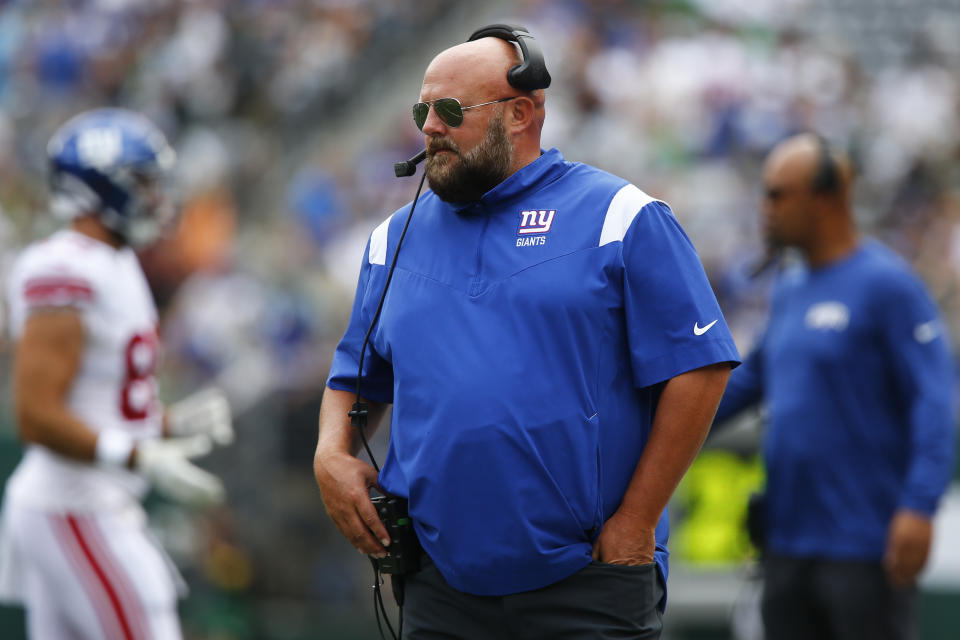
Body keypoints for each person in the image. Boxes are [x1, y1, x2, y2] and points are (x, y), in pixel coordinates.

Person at [314, 27, 740, 639]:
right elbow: (354, 377)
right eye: (421, 110)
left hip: (586, 577)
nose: (428, 126)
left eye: (450, 110)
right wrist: (331, 453)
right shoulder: (392, 238)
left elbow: (700, 367)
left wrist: (637, 520)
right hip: (440, 585)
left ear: (520, 114)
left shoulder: (620, 217)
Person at [0, 108, 234, 639]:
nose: (157, 197)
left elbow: (100, 403)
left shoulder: (116, 261)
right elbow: (35, 416)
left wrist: (166, 424)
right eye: (144, 182)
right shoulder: (64, 266)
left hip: (92, 501)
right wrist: (137, 454)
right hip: (75, 503)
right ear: (99, 186)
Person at [713, 133, 957, 640]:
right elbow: (745, 384)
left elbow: (935, 400)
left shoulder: (888, 287)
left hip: (864, 546)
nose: (765, 209)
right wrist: (648, 416)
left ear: (826, 198)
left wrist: (919, 506)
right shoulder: (790, 288)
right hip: (787, 544)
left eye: (779, 194)